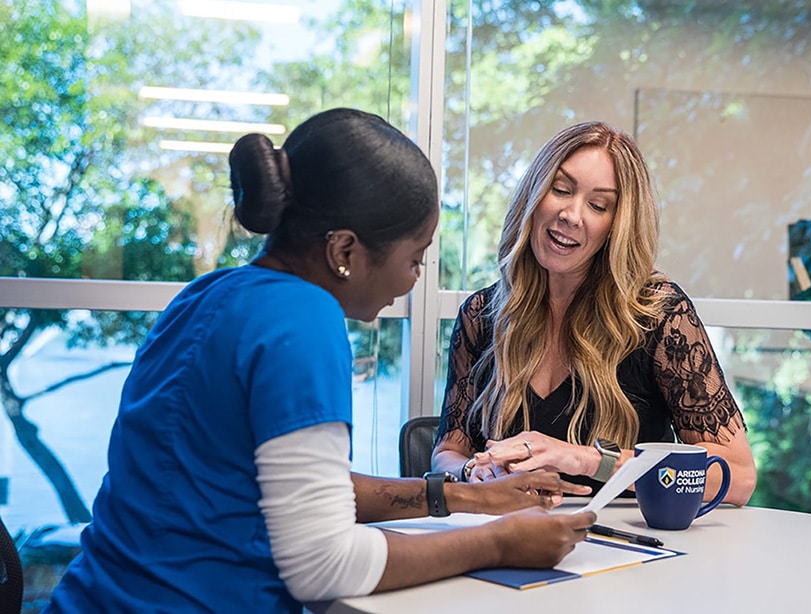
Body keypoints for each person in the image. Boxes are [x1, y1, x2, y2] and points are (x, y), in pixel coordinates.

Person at [45, 108, 595, 613]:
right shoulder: (303, 321)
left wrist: (462, 497)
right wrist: (499, 542)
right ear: (344, 252)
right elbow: (321, 566)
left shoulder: (205, 295)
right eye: (414, 258)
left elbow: (294, 483)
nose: (414, 279)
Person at [431, 120, 757, 506]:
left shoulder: (658, 315)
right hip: (510, 542)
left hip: (630, 552)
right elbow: (448, 453)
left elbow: (738, 476)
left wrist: (587, 459)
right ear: (534, 196)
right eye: (561, 189)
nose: (572, 214)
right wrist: (476, 472)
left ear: (616, 226)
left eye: (598, 205)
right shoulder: (481, 314)